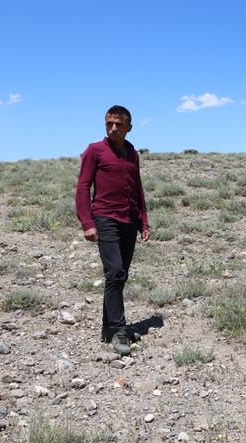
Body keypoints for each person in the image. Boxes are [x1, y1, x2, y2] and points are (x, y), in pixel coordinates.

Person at [75, 105, 150, 356]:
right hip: (105, 218)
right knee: (115, 271)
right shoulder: (95, 150)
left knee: (120, 275)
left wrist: (143, 221)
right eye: (109, 123)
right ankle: (119, 331)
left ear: (129, 127)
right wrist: (87, 223)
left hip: (129, 220)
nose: (113, 128)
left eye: (119, 124)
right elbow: (83, 187)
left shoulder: (132, 153)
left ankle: (108, 328)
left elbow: (137, 188)